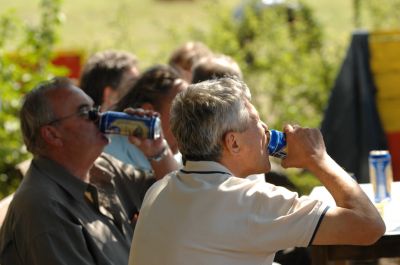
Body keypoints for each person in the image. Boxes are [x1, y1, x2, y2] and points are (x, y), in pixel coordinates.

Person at [129, 77, 385, 265]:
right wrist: (318, 159)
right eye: (256, 121)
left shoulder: (159, 189)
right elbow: (369, 226)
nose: (265, 128)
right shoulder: (250, 202)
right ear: (233, 142)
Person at [0, 77, 177, 264]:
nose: (100, 118)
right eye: (86, 113)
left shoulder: (100, 167)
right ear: (52, 134)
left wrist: (158, 151)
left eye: (96, 109)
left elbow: (177, 196)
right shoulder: (42, 208)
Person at [105, 64, 188, 169]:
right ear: (149, 112)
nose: (192, 118)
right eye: (182, 109)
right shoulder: (110, 155)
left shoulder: (185, 160)